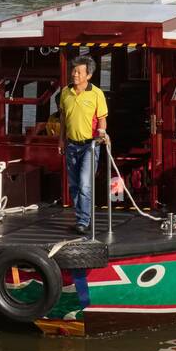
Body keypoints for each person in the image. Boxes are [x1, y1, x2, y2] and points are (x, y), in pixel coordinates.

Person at [57, 56, 108, 233]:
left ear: (89, 75)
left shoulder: (97, 94)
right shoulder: (65, 92)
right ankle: (81, 215)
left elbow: (102, 120)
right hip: (71, 145)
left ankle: (83, 221)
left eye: (79, 72)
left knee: (85, 183)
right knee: (73, 185)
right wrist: (61, 139)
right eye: (74, 71)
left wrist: (102, 136)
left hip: (90, 146)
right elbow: (63, 118)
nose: (74, 74)